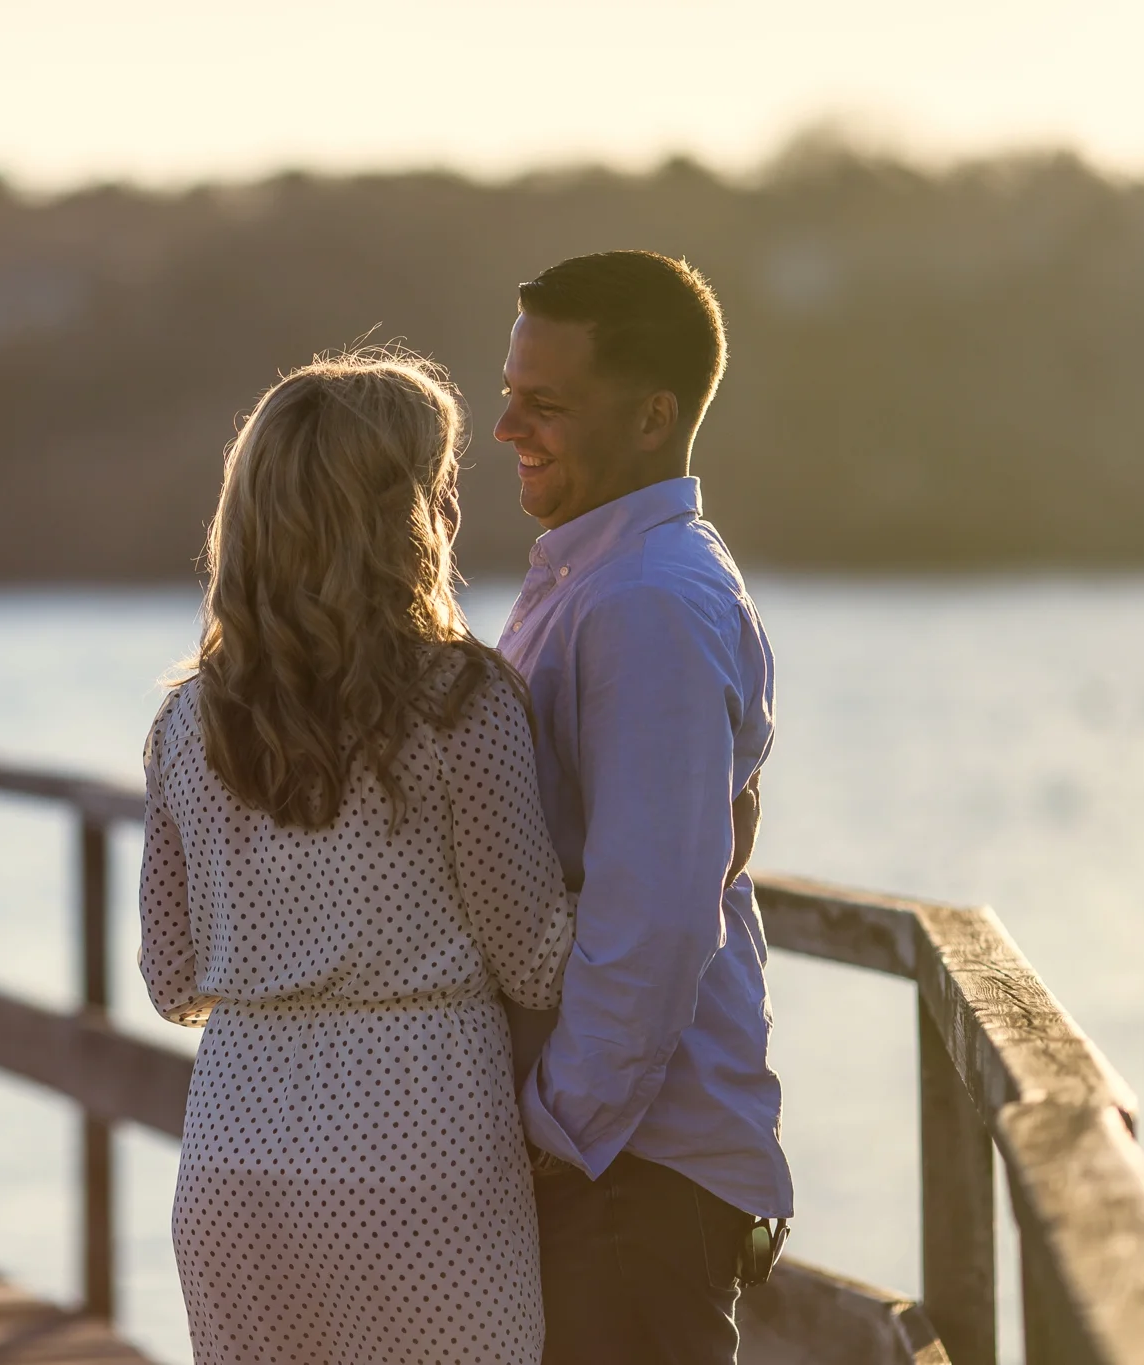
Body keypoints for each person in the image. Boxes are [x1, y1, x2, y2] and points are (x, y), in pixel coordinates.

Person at [138, 350, 577, 1365]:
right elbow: (535, 961)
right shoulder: (458, 702)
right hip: (420, 1146)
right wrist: (682, 875)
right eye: (441, 482)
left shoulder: (186, 721)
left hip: (234, 1152)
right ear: (406, 519)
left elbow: (169, 982)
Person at [490, 250, 792, 1365]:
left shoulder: (646, 604)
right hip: (613, 1159)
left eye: (545, 404)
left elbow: (655, 914)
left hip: (627, 1171)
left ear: (653, 416)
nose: (505, 426)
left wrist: (556, 1136)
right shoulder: (601, 577)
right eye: (510, 393)